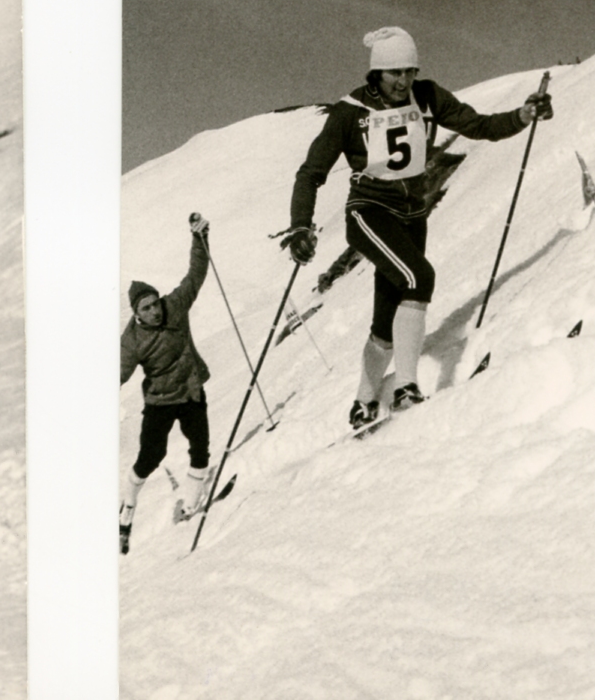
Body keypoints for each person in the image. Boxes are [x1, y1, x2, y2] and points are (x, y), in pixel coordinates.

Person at [279, 28, 554, 430]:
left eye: (410, 71)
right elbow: (310, 173)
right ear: (377, 74)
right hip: (368, 212)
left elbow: (478, 125)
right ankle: (407, 387)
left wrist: (523, 115)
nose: (403, 81)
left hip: (411, 215)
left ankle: (363, 401)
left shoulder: (427, 96)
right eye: (395, 74)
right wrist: (299, 226)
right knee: (418, 276)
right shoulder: (350, 110)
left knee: (386, 318)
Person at [119, 213, 212, 553]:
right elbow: (115, 373)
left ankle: (190, 504)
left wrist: (200, 238)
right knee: (150, 455)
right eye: (147, 308)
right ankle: (128, 505)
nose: (155, 311)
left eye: (155, 303)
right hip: (159, 401)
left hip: (190, 390)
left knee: (200, 446)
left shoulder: (174, 306)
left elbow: (195, 276)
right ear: (136, 313)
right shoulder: (131, 341)